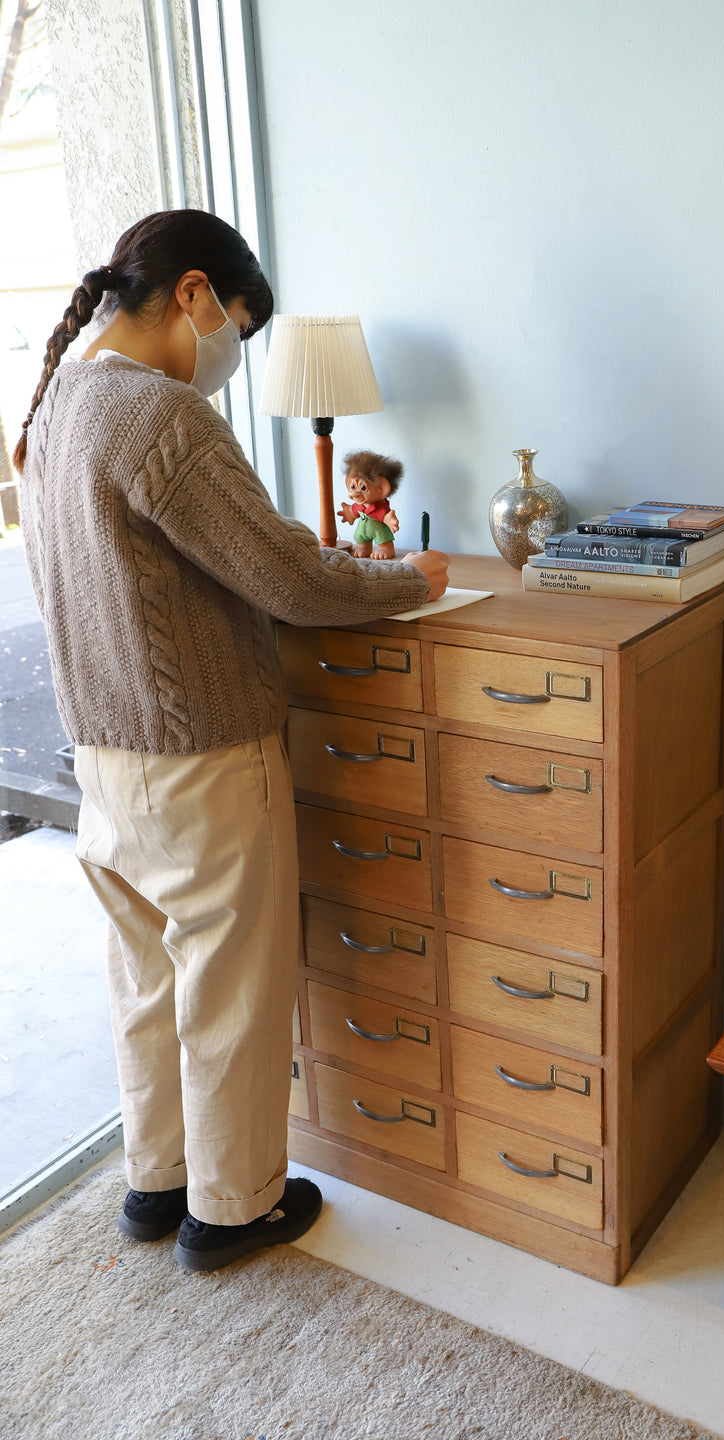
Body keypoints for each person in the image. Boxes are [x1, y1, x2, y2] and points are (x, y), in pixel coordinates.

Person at [12, 209, 449, 1272]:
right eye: (238, 331)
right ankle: (234, 1207)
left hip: (105, 763)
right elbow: (291, 577)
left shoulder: (55, 404)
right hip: (201, 754)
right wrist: (410, 581)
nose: (229, 362)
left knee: (147, 988)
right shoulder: (160, 417)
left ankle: (156, 1185)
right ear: (195, 295)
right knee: (231, 990)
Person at [338, 449, 403, 559]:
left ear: (382, 489)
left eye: (363, 487)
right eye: (353, 486)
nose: (355, 493)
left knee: (382, 537)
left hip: (378, 530)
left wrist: (390, 520)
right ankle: (363, 546)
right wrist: (348, 513)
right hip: (363, 530)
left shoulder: (379, 508)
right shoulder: (360, 505)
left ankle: (385, 548)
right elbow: (353, 510)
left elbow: (386, 516)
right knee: (360, 537)